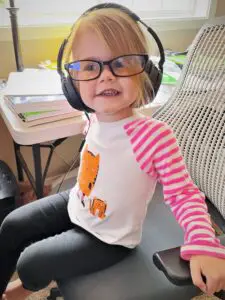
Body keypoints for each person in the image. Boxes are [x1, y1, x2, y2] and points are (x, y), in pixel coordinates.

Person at [1, 4, 225, 300]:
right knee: (12, 224)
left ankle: (22, 289)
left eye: (122, 63)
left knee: (31, 261)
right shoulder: (92, 117)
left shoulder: (155, 137)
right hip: (79, 203)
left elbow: (183, 194)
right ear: (73, 82)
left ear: (146, 73)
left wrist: (203, 242)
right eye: (90, 67)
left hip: (109, 239)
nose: (106, 76)